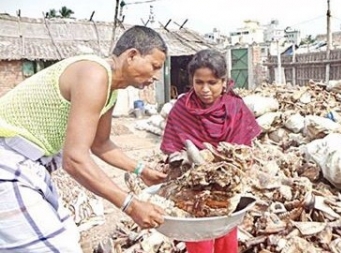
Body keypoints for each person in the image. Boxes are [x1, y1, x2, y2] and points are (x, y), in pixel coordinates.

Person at [0, 26, 169, 253]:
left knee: (67, 238)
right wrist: (130, 205)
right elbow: (75, 159)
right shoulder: (94, 74)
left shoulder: (111, 89)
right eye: (155, 66)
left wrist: (142, 170)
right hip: (8, 162)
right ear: (131, 56)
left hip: (30, 166)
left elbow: (100, 144)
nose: (156, 76)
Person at [160, 49, 261, 253]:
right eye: (199, 82)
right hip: (193, 188)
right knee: (198, 240)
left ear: (224, 81)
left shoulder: (235, 107)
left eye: (212, 83)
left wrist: (224, 168)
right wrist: (180, 161)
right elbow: (172, 149)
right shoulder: (182, 108)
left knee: (226, 237)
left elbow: (244, 152)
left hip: (226, 188)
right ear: (192, 81)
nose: (205, 89)